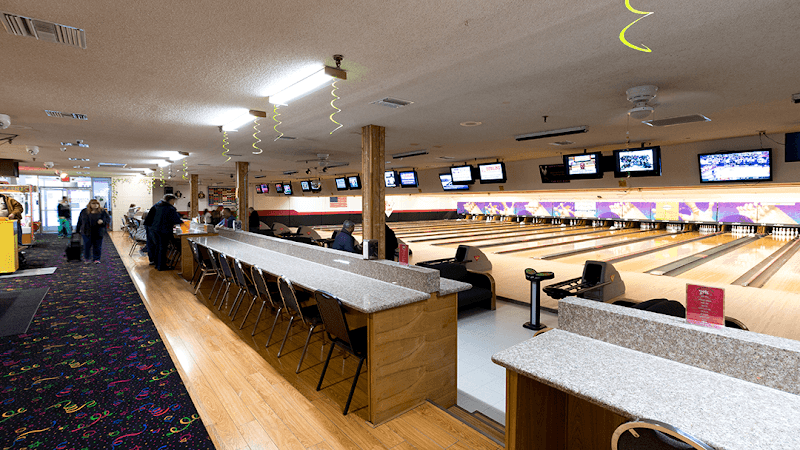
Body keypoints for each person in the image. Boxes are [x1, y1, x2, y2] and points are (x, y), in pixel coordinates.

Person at [149, 194, 183, 271]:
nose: (174, 202)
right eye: (174, 200)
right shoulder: (170, 208)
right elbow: (176, 219)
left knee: (158, 247)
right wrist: (182, 222)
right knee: (163, 248)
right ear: (171, 200)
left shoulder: (158, 205)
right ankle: (162, 266)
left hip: (155, 229)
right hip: (164, 230)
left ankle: (157, 264)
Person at [76, 198, 111, 264]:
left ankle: (96, 259)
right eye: (93, 203)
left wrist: (103, 221)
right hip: (86, 232)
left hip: (98, 232)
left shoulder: (102, 211)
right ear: (90, 204)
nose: (95, 205)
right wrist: (77, 230)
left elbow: (108, 219)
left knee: (97, 246)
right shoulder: (84, 211)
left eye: (97, 203)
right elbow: (80, 221)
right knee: (87, 246)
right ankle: (87, 258)